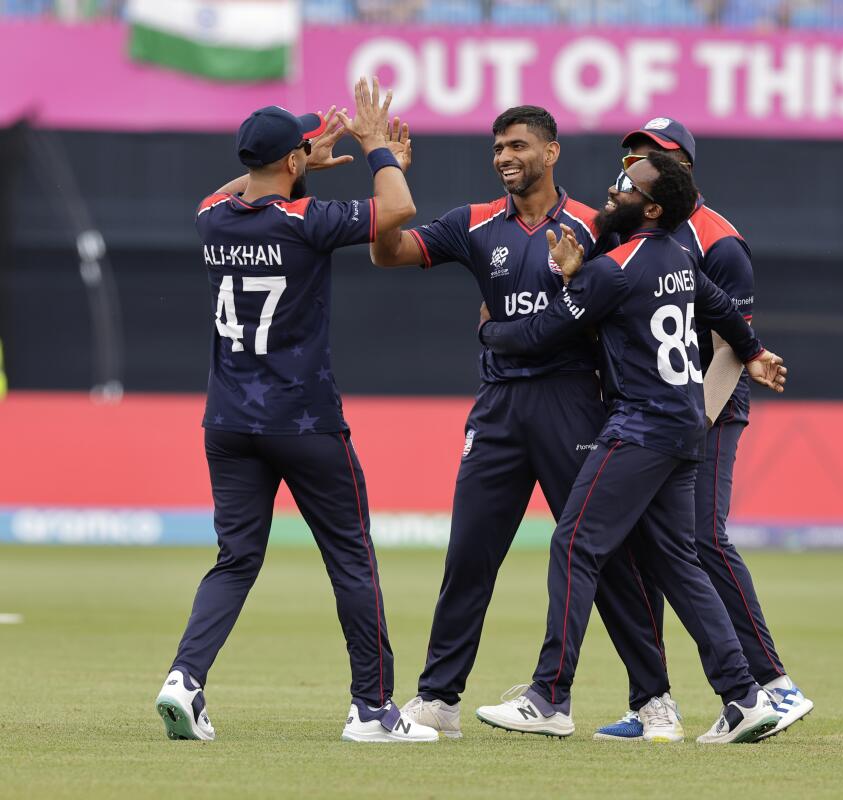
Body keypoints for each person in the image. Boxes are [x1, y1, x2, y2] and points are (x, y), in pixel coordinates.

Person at [370, 106, 673, 739]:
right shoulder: (474, 223)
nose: (505, 158)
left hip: (576, 403)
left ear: (552, 152)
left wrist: (495, 331)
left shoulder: (599, 224)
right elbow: (389, 252)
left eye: (518, 146)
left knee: (606, 557)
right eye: (498, 149)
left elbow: (642, 294)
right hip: (500, 408)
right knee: (469, 556)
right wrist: (389, 177)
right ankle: (438, 701)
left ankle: (653, 703)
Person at [154, 77, 438, 743]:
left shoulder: (211, 219)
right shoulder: (307, 222)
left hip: (227, 423)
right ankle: (372, 710)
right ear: (291, 164)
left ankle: (184, 679)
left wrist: (297, 148)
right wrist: (376, 149)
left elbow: (233, 188)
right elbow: (397, 207)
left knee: (235, 559)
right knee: (351, 558)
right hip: (305, 422)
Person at [473, 152, 790, 744]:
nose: (611, 192)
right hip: (686, 428)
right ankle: (745, 697)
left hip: (639, 427)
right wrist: (753, 352)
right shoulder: (678, 258)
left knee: (574, 543)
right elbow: (720, 309)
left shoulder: (613, 269)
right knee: (677, 562)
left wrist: (489, 327)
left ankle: (548, 697)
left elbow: (538, 335)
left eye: (625, 188)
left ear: (651, 206)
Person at [592, 118, 814, 742]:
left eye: (649, 156)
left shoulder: (718, 241)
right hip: (648, 413)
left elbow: (729, 347)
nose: (633, 162)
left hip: (703, 410)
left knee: (701, 539)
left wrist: (692, 423)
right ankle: (653, 705)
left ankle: (773, 686)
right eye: (631, 153)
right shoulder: (633, 229)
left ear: (682, 168)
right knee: (647, 549)